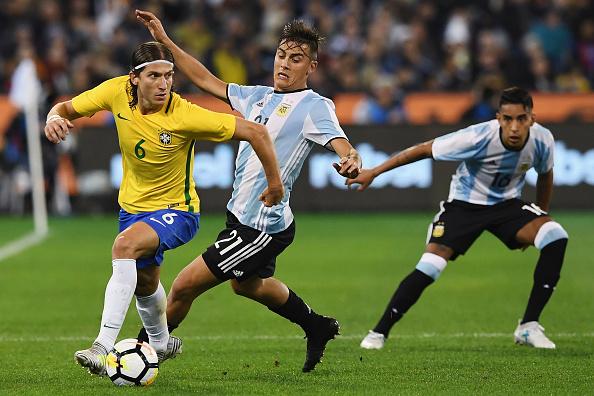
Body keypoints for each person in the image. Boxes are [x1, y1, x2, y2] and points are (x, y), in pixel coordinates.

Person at [135, 10, 362, 372]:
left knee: (182, 286)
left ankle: (141, 353)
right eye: (281, 55)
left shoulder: (314, 106)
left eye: (296, 59)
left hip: (259, 226)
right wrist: (164, 41)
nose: (284, 64)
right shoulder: (256, 96)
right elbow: (205, 79)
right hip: (243, 215)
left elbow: (342, 143)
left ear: (312, 67)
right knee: (248, 285)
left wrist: (351, 158)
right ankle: (315, 325)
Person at [44, 41, 283, 376]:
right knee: (145, 282)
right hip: (132, 209)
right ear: (134, 79)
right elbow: (65, 108)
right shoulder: (115, 92)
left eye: (169, 75)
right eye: (154, 76)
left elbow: (256, 132)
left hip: (179, 211)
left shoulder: (184, 114)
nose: (163, 83)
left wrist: (275, 184)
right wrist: (52, 119)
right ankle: (159, 342)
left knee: (123, 246)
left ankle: (102, 345)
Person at [347, 87, 568, 350]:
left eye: (521, 119)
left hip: (507, 206)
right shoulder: (477, 137)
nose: (514, 127)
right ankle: (378, 333)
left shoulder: (543, 139)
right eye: (508, 119)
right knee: (430, 266)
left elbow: (545, 175)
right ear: (498, 118)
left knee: (555, 235)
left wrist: (540, 216)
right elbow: (423, 150)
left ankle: (528, 327)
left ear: (531, 119)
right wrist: (375, 172)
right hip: (464, 206)